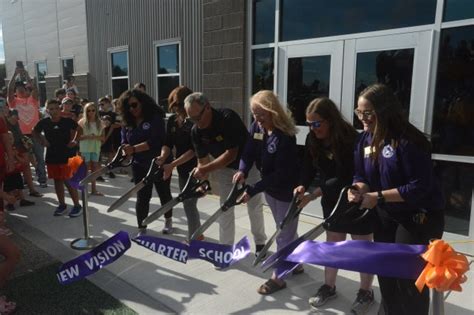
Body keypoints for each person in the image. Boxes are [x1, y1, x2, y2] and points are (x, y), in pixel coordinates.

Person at [347, 84, 444, 315]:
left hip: (416, 217)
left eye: (368, 112)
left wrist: (378, 196)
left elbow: (418, 187)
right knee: (387, 273)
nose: (363, 118)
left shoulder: (409, 141)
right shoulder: (365, 140)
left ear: (385, 110)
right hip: (385, 215)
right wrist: (358, 189)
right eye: (359, 112)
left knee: (409, 281)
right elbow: (361, 175)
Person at [293, 97, 375, 313]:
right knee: (333, 246)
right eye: (309, 124)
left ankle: (366, 291)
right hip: (332, 201)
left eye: (317, 123)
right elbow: (308, 167)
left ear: (330, 120)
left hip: (355, 198)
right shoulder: (314, 139)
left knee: (361, 249)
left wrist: (313, 195)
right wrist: (302, 185)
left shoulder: (350, 140)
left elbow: (344, 177)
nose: (313, 128)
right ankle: (329, 286)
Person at [233, 90, 302, 294]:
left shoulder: (285, 137)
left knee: (283, 233)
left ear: (273, 111)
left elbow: (280, 174)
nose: (258, 119)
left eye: (262, 114)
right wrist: (242, 170)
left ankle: (279, 278)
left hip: (287, 191)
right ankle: (297, 262)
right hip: (271, 190)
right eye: (254, 114)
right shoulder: (257, 127)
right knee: (287, 229)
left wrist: (253, 190)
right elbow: (248, 151)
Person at [185, 92, 267, 251]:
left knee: (254, 206)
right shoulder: (196, 131)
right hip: (224, 170)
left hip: (248, 166)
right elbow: (202, 160)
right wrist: (203, 180)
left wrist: (205, 169)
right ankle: (225, 248)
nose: (196, 122)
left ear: (207, 107)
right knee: (225, 208)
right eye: (191, 119)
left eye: (198, 117)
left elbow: (231, 154)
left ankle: (260, 243)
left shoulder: (227, 118)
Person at [119, 89, 173, 234]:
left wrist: (134, 149)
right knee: (142, 196)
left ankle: (168, 220)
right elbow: (124, 140)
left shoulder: (155, 118)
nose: (132, 109)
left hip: (158, 162)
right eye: (128, 106)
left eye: (134, 105)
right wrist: (125, 147)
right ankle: (141, 228)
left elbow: (156, 142)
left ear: (142, 103)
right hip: (139, 165)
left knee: (164, 193)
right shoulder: (127, 122)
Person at [156, 86, 201, 240]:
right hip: (182, 170)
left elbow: (193, 151)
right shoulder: (172, 121)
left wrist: (172, 165)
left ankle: (195, 238)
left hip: (197, 169)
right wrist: (162, 157)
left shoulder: (195, 123)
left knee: (189, 203)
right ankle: (197, 235)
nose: (176, 110)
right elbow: (167, 143)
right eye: (174, 106)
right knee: (187, 203)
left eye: (179, 106)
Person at [33, 99, 82, 217]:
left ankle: (77, 206)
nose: (54, 111)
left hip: (66, 154)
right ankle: (62, 205)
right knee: (57, 181)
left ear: (60, 109)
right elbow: (34, 131)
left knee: (68, 180)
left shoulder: (67, 121)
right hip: (52, 155)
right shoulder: (44, 122)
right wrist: (42, 140)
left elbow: (79, 130)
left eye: (56, 108)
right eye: (51, 109)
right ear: (47, 110)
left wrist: (75, 141)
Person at [7, 67, 47, 188]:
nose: (21, 91)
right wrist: (14, 75)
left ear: (26, 90)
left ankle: (42, 179)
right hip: (21, 135)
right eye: (18, 90)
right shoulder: (14, 102)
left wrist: (27, 75)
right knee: (24, 158)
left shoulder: (33, 100)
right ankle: (26, 179)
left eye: (23, 89)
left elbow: (35, 88)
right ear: (16, 93)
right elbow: (9, 89)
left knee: (40, 157)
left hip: (35, 133)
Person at [5, 109, 43, 198]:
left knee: (26, 167)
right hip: (11, 148)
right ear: (9, 116)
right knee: (12, 171)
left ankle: (31, 189)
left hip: (21, 146)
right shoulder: (5, 123)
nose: (17, 118)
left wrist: (26, 141)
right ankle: (14, 192)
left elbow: (19, 134)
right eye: (15, 116)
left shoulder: (16, 123)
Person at [3, 131, 35, 211]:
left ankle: (22, 199)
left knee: (19, 186)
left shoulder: (16, 149)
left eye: (12, 138)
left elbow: (23, 161)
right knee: (9, 188)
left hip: (16, 171)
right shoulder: (3, 150)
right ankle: (10, 203)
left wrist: (16, 156)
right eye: (8, 139)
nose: (10, 140)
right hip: (7, 172)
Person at [78, 103, 104, 196]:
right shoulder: (82, 122)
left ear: (96, 111)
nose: (91, 112)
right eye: (88, 110)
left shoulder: (100, 122)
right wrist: (88, 136)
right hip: (85, 148)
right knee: (85, 169)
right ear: (85, 111)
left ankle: (94, 190)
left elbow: (103, 138)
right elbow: (78, 137)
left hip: (96, 148)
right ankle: (84, 190)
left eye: (93, 110)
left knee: (95, 169)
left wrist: (95, 137)